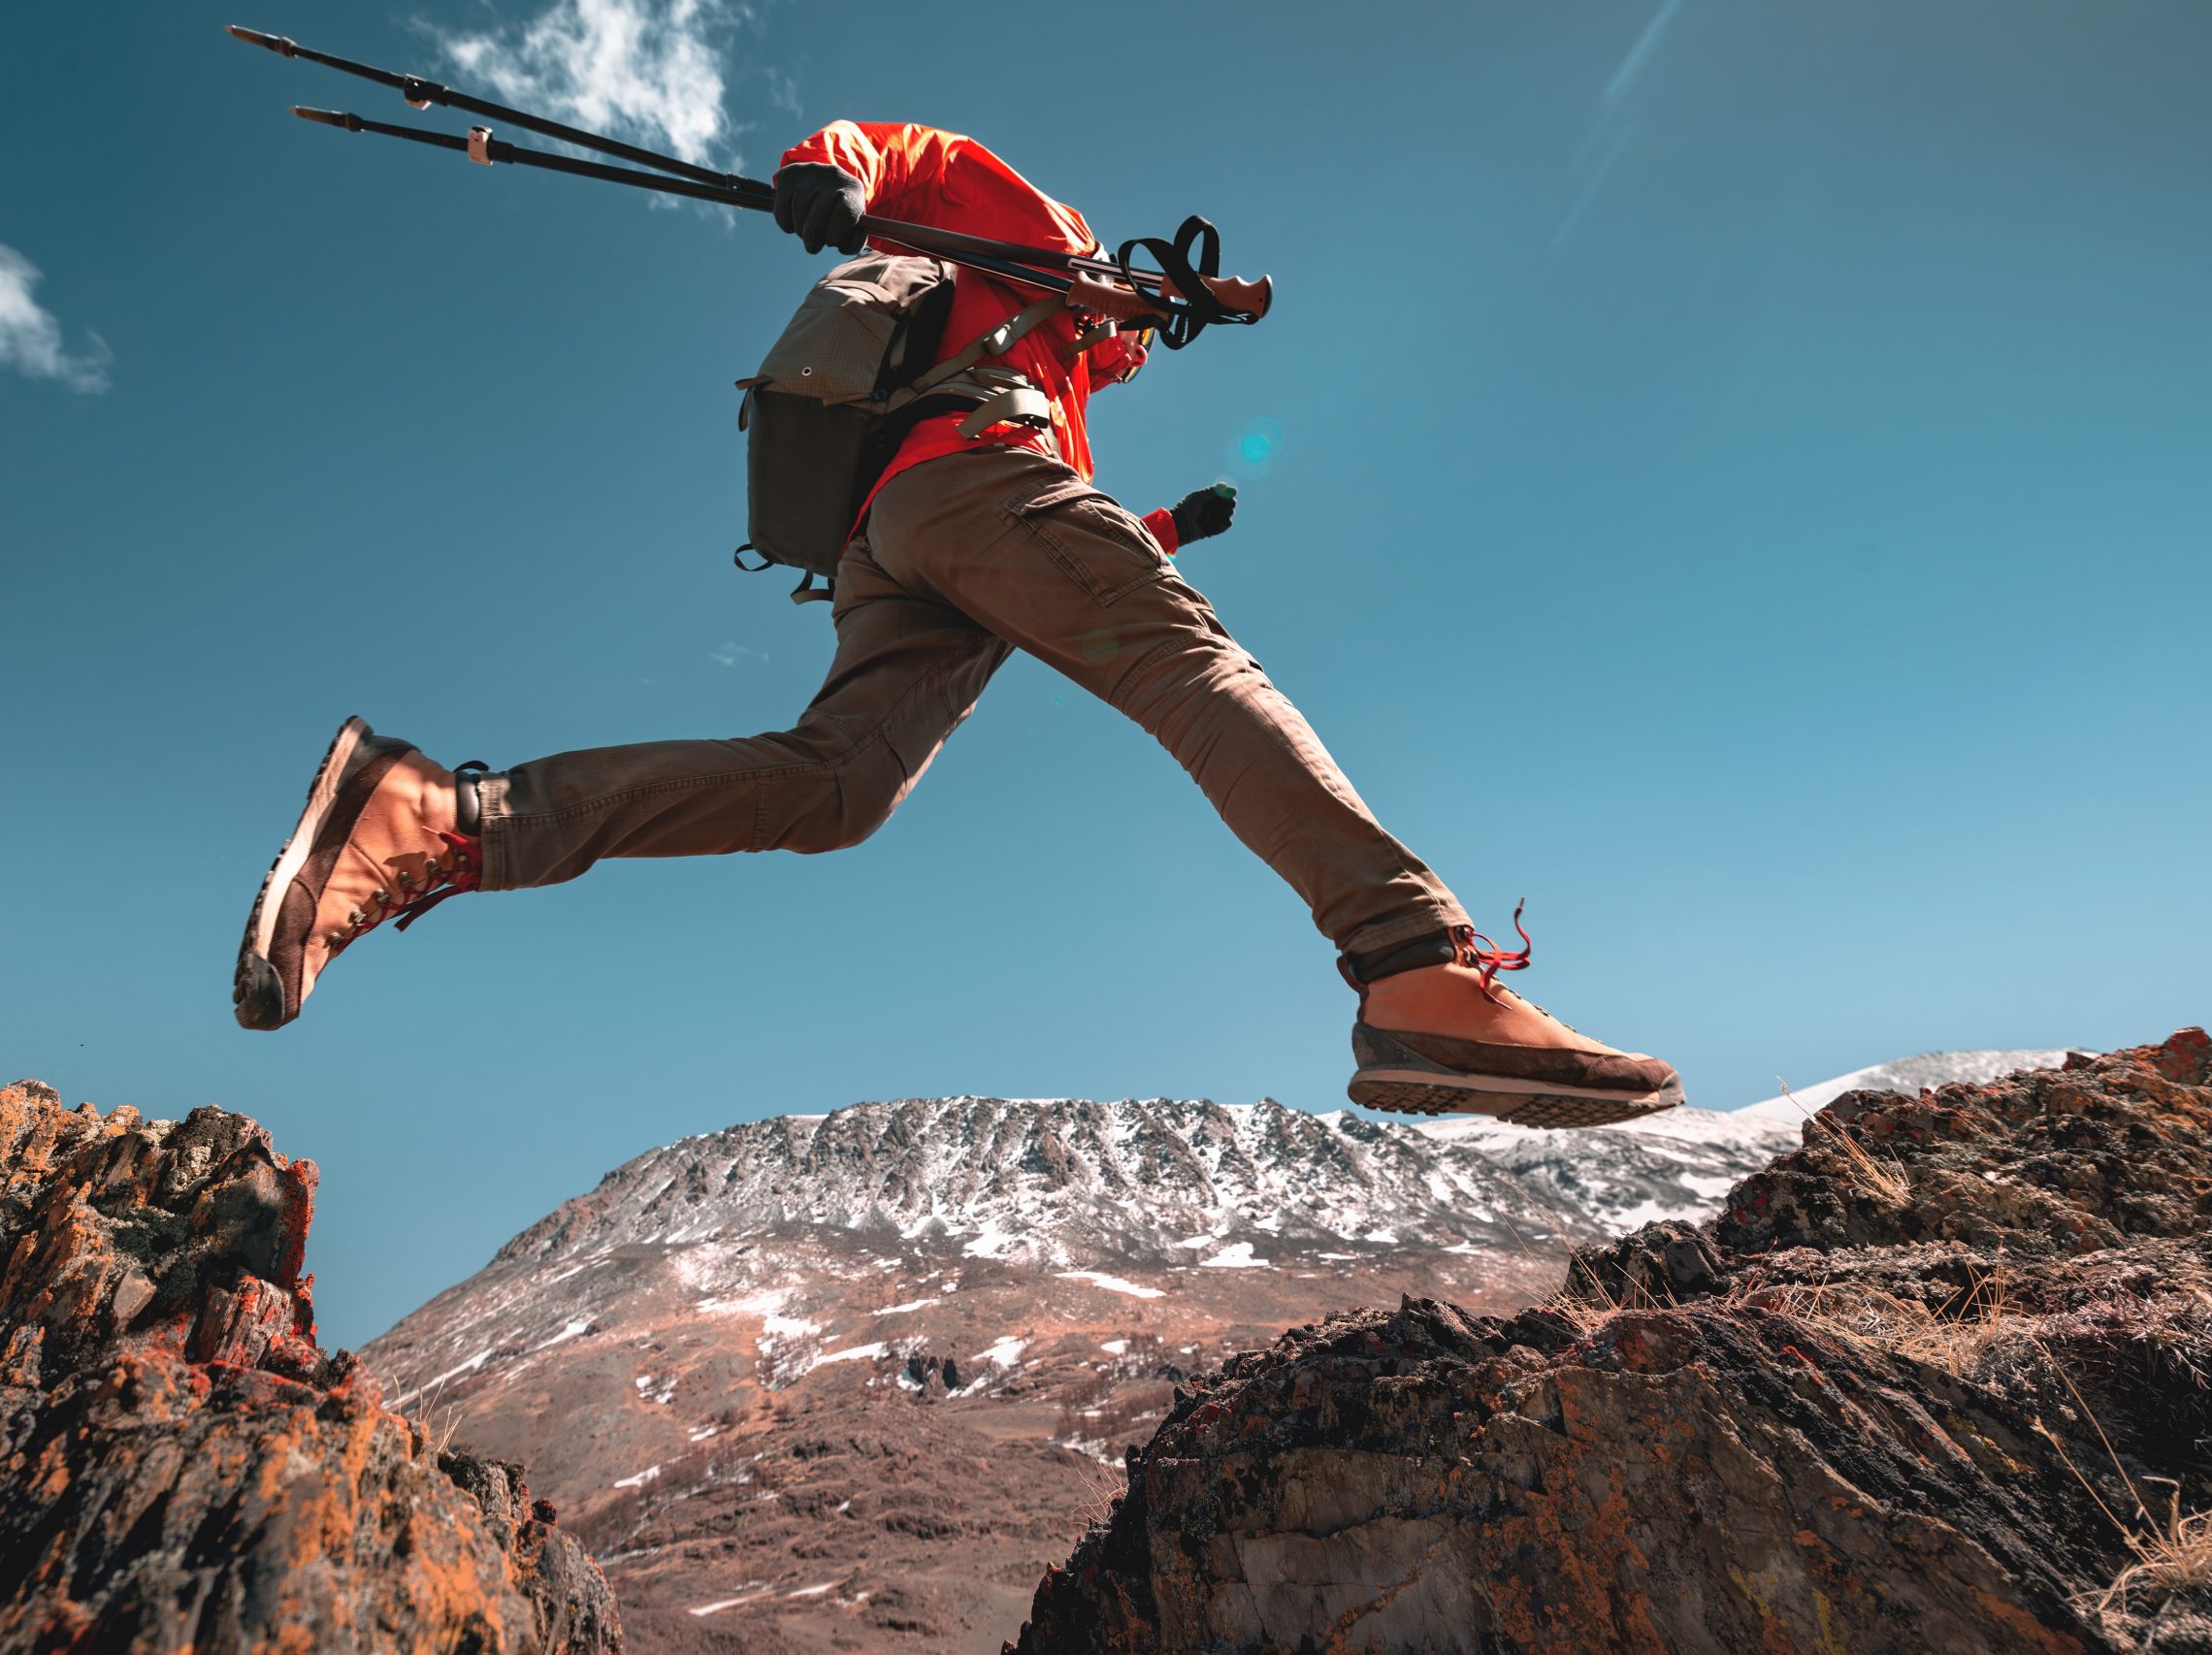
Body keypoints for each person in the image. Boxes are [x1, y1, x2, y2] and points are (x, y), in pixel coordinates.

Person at [230, 120, 1681, 1129]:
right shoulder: (1038, 243)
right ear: (1129, 269)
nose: (1141, 333)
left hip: (905, 540)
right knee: (1195, 669)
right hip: (972, 485)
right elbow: (918, 151)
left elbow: (1035, 559)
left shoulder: (1066, 371)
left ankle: (446, 815)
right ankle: (1413, 962)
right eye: (1149, 309)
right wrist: (830, 171)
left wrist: (1161, 529)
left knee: (838, 787)